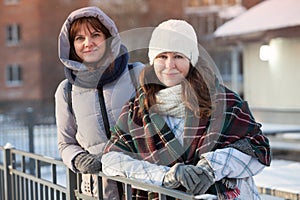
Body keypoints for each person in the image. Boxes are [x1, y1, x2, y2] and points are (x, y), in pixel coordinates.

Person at [101, 19, 271, 199]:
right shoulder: (136, 109)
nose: (169, 65)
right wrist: (165, 176)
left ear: (191, 60)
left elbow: (257, 150)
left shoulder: (224, 101)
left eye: (178, 56)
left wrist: (211, 167)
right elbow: (111, 159)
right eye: (162, 56)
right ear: (153, 60)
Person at [55, 6, 143, 199]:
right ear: (71, 45)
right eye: (80, 38)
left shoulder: (136, 74)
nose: (88, 43)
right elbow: (66, 143)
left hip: (142, 184)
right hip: (98, 190)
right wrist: (78, 159)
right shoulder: (66, 90)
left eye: (95, 35)